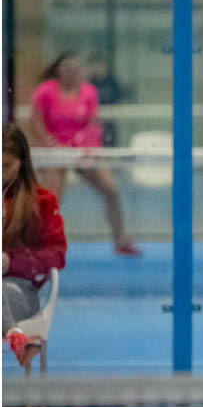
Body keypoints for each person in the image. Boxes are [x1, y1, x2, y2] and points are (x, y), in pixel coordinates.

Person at [30, 51, 139, 257]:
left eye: (75, 68)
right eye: (66, 68)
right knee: (52, 198)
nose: (71, 72)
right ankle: (41, 242)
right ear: (59, 71)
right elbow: (36, 122)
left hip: (82, 151)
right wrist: (50, 143)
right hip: (55, 153)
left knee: (111, 189)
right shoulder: (45, 91)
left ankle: (120, 240)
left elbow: (93, 123)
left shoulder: (89, 92)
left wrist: (87, 146)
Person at [3, 122, 67, 366]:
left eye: (6, 165)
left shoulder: (42, 202)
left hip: (20, 290)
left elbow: (56, 254)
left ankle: (13, 333)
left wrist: (11, 263)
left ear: (22, 163)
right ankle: (15, 335)